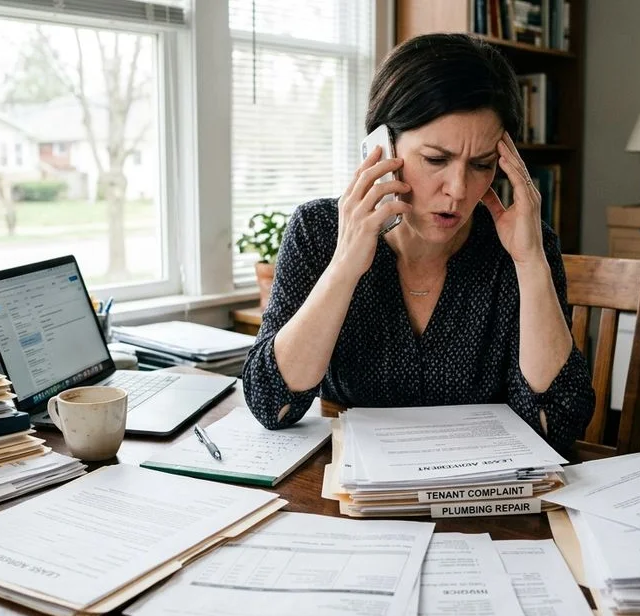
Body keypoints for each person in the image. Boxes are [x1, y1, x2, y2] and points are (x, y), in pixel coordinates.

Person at [241, 33, 594, 455]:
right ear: (381, 146)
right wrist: (344, 267)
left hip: (478, 499)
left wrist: (531, 262)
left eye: (482, 165)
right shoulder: (318, 230)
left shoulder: (522, 248)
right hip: (354, 499)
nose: (459, 190)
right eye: (436, 159)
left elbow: (556, 425)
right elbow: (271, 405)